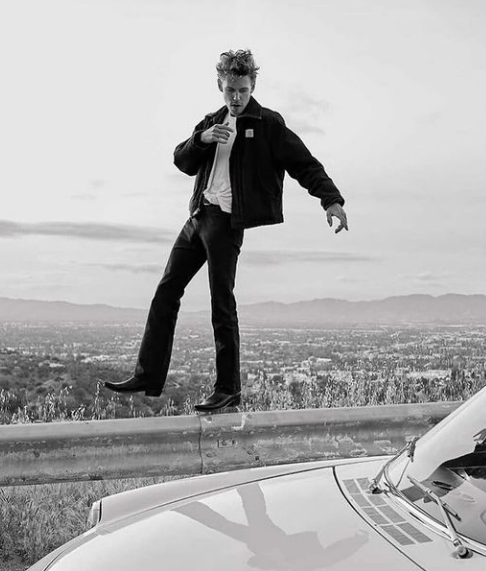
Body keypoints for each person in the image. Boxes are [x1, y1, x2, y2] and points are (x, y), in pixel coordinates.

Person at [104, 48, 348, 412]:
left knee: (221, 304)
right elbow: (182, 161)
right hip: (198, 216)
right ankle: (148, 375)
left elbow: (304, 163)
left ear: (252, 87)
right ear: (220, 85)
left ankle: (228, 389)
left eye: (243, 90)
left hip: (226, 223)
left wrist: (331, 200)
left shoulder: (267, 124)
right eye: (230, 90)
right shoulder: (211, 121)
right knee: (166, 291)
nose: (236, 97)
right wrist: (201, 140)